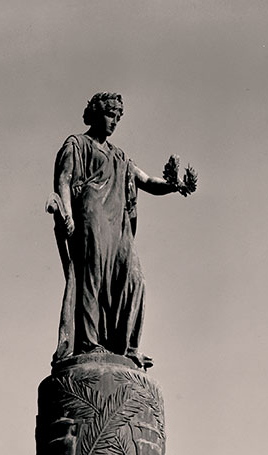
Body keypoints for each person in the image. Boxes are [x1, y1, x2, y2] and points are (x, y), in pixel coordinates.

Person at [47, 92, 193, 366]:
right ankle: (89, 343)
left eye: (118, 117)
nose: (114, 122)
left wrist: (174, 185)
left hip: (118, 226)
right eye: (110, 115)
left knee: (134, 279)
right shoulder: (77, 144)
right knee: (92, 277)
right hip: (91, 214)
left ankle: (127, 347)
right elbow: (64, 179)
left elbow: (147, 181)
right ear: (95, 113)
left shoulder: (120, 157)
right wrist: (68, 214)